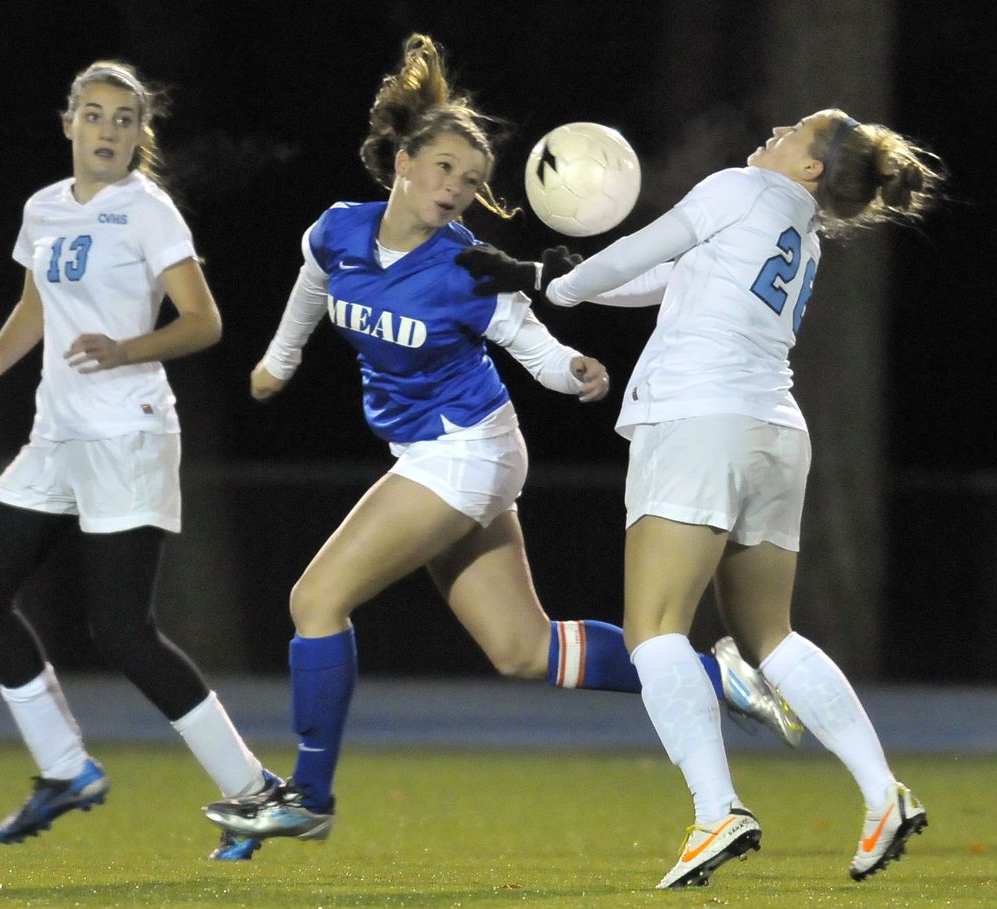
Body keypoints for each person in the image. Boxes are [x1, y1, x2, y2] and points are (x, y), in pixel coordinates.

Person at [201, 34, 800, 856]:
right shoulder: (337, 231)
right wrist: (279, 361)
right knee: (525, 649)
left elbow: (534, 344)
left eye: (473, 180)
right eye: (446, 169)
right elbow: (312, 287)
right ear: (405, 162)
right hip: (432, 453)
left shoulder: (466, 266)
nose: (458, 188)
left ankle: (307, 794)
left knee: (316, 599)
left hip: (468, 449)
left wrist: (577, 369)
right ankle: (716, 674)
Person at [457, 109, 944, 887]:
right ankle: (882, 791)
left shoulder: (742, 187)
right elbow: (664, 279)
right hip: (775, 431)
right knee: (768, 635)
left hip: (697, 418)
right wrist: (549, 280)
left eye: (795, 131)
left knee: (654, 631)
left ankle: (717, 808)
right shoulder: (802, 231)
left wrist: (561, 282)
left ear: (812, 168)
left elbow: (633, 256)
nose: (778, 129)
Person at [0, 60, 274, 861]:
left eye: (126, 119)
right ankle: (64, 767)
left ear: (138, 136)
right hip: (57, 433)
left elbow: (204, 321)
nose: (109, 130)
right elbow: (34, 306)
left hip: (129, 429)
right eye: (95, 115)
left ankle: (257, 791)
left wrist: (125, 348)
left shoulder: (147, 212)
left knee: (122, 628)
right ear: (69, 124)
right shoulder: (43, 208)